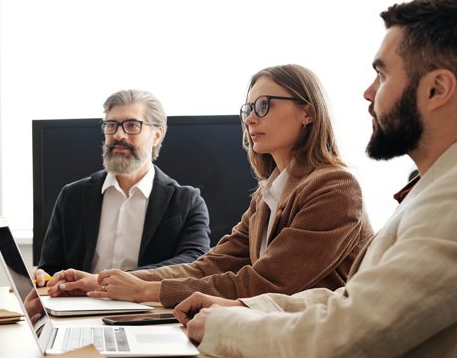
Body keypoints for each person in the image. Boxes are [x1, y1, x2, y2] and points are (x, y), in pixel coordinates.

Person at [172, 0, 457, 357]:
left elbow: (343, 337)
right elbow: (352, 299)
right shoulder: (451, 182)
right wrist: (243, 307)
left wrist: (225, 326)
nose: (368, 92)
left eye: (381, 76)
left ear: (436, 89)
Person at [46, 64, 374, 308]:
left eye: (264, 105)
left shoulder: (335, 189)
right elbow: (211, 264)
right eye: (248, 109)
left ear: (308, 113)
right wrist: (102, 282)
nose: (250, 118)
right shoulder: (268, 194)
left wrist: (147, 292)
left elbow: (268, 282)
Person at [33, 89, 211, 284]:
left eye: (132, 125)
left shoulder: (187, 201)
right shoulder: (72, 196)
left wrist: (104, 280)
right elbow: (50, 267)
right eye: (111, 125)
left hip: (148, 308)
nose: (118, 134)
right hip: (79, 306)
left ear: (157, 135)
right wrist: (43, 276)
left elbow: (194, 263)